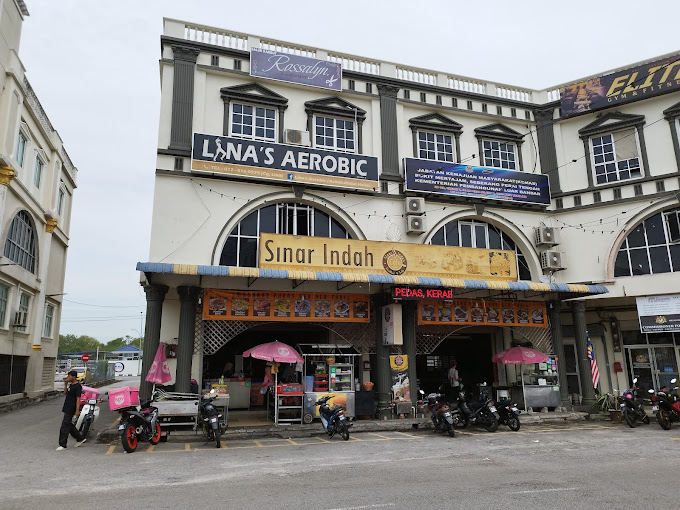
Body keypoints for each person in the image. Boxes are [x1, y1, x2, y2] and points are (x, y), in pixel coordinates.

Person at [57, 370, 86, 451]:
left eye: (69, 376)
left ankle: (62, 444)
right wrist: (65, 385)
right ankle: (80, 438)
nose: (68, 378)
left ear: (73, 377)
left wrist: (77, 411)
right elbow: (65, 393)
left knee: (64, 425)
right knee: (68, 424)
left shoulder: (77, 386)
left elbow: (78, 399)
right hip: (67, 406)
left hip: (72, 407)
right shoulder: (71, 385)